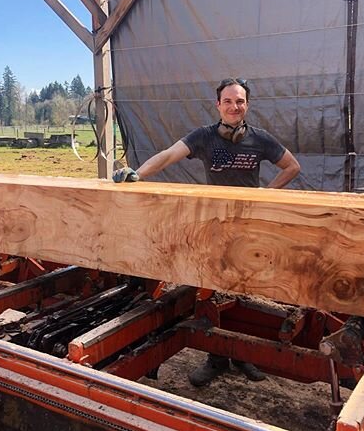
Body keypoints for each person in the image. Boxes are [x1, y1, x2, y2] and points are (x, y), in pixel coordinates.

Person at [113, 77, 300, 386]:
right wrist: (138, 174)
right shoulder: (203, 137)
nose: (234, 106)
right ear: (218, 105)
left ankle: (242, 355)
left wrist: (266, 195)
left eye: (239, 101)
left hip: (246, 226)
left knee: (243, 292)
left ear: (246, 106)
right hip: (214, 226)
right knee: (209, 289)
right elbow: (169, 155)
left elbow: (292, 166)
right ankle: (216, 358)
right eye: (228, 101)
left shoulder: (261, 139)